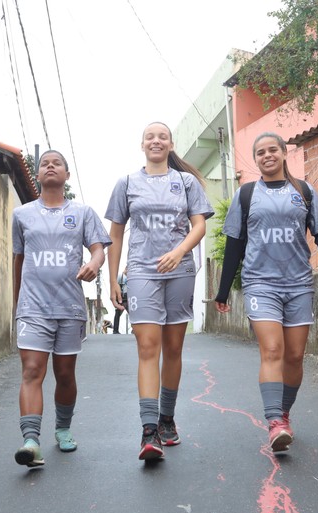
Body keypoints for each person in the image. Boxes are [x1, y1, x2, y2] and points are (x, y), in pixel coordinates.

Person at [214, 132, 318, 452]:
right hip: (261, 283)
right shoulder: (246, 195)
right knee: (272, 350)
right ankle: (274, 422)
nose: (266, 156)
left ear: (284, 153)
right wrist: (223, 291)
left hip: (298, 283)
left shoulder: (304, 191)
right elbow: (234, 245)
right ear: (255, 159)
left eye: (272, 150)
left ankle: (283, 412)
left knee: (295, 356)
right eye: (260, 153)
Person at [105, 121, 214, 460]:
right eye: (150, 137)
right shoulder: (126, 184)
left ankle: (168, 418)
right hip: (141, 272)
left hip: (180, 271)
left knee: (173, 347)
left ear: (170, 144)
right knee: (148, 346)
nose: (156, 141)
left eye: (162, 136)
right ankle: (149, 429)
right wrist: (112, 280)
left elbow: (200, 225)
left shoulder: (185, 183)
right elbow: (116, 235)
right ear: (142, 145)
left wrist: (180, 251)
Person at [12, 149, 111, 468]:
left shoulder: (83, 213)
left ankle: (64, 428)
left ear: (66, 176)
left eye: (57, 163)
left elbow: (98, 249)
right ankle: (30, 441)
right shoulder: (22, 215)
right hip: (33, 308)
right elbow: (19, 259)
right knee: (31, 371)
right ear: (38, 175)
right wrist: (17, 303)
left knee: (65, 374)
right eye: (44, 163)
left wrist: (95, 264)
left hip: (69, 307)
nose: (50, 166)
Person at [112, 268, 128, 334]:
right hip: (121, 296)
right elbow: (115, 285)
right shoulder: (120, 276)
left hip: (126, 296)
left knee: (132, 313)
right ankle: (115, 330)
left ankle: (135, 329)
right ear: (126, 269)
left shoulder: (128, 277)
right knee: (118, 313)